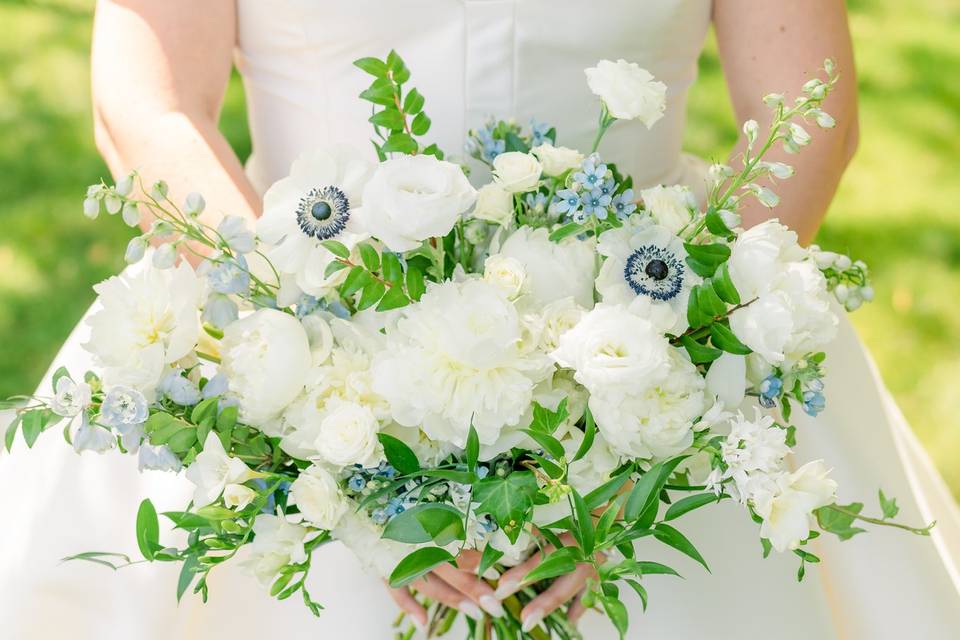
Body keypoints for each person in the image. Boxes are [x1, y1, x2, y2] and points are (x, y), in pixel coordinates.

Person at [2, 1, 958, 638]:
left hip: (662, 334)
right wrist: (305, 408)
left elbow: (805, 113)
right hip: (284, 319)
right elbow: (147, 101)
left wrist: (663, 405)